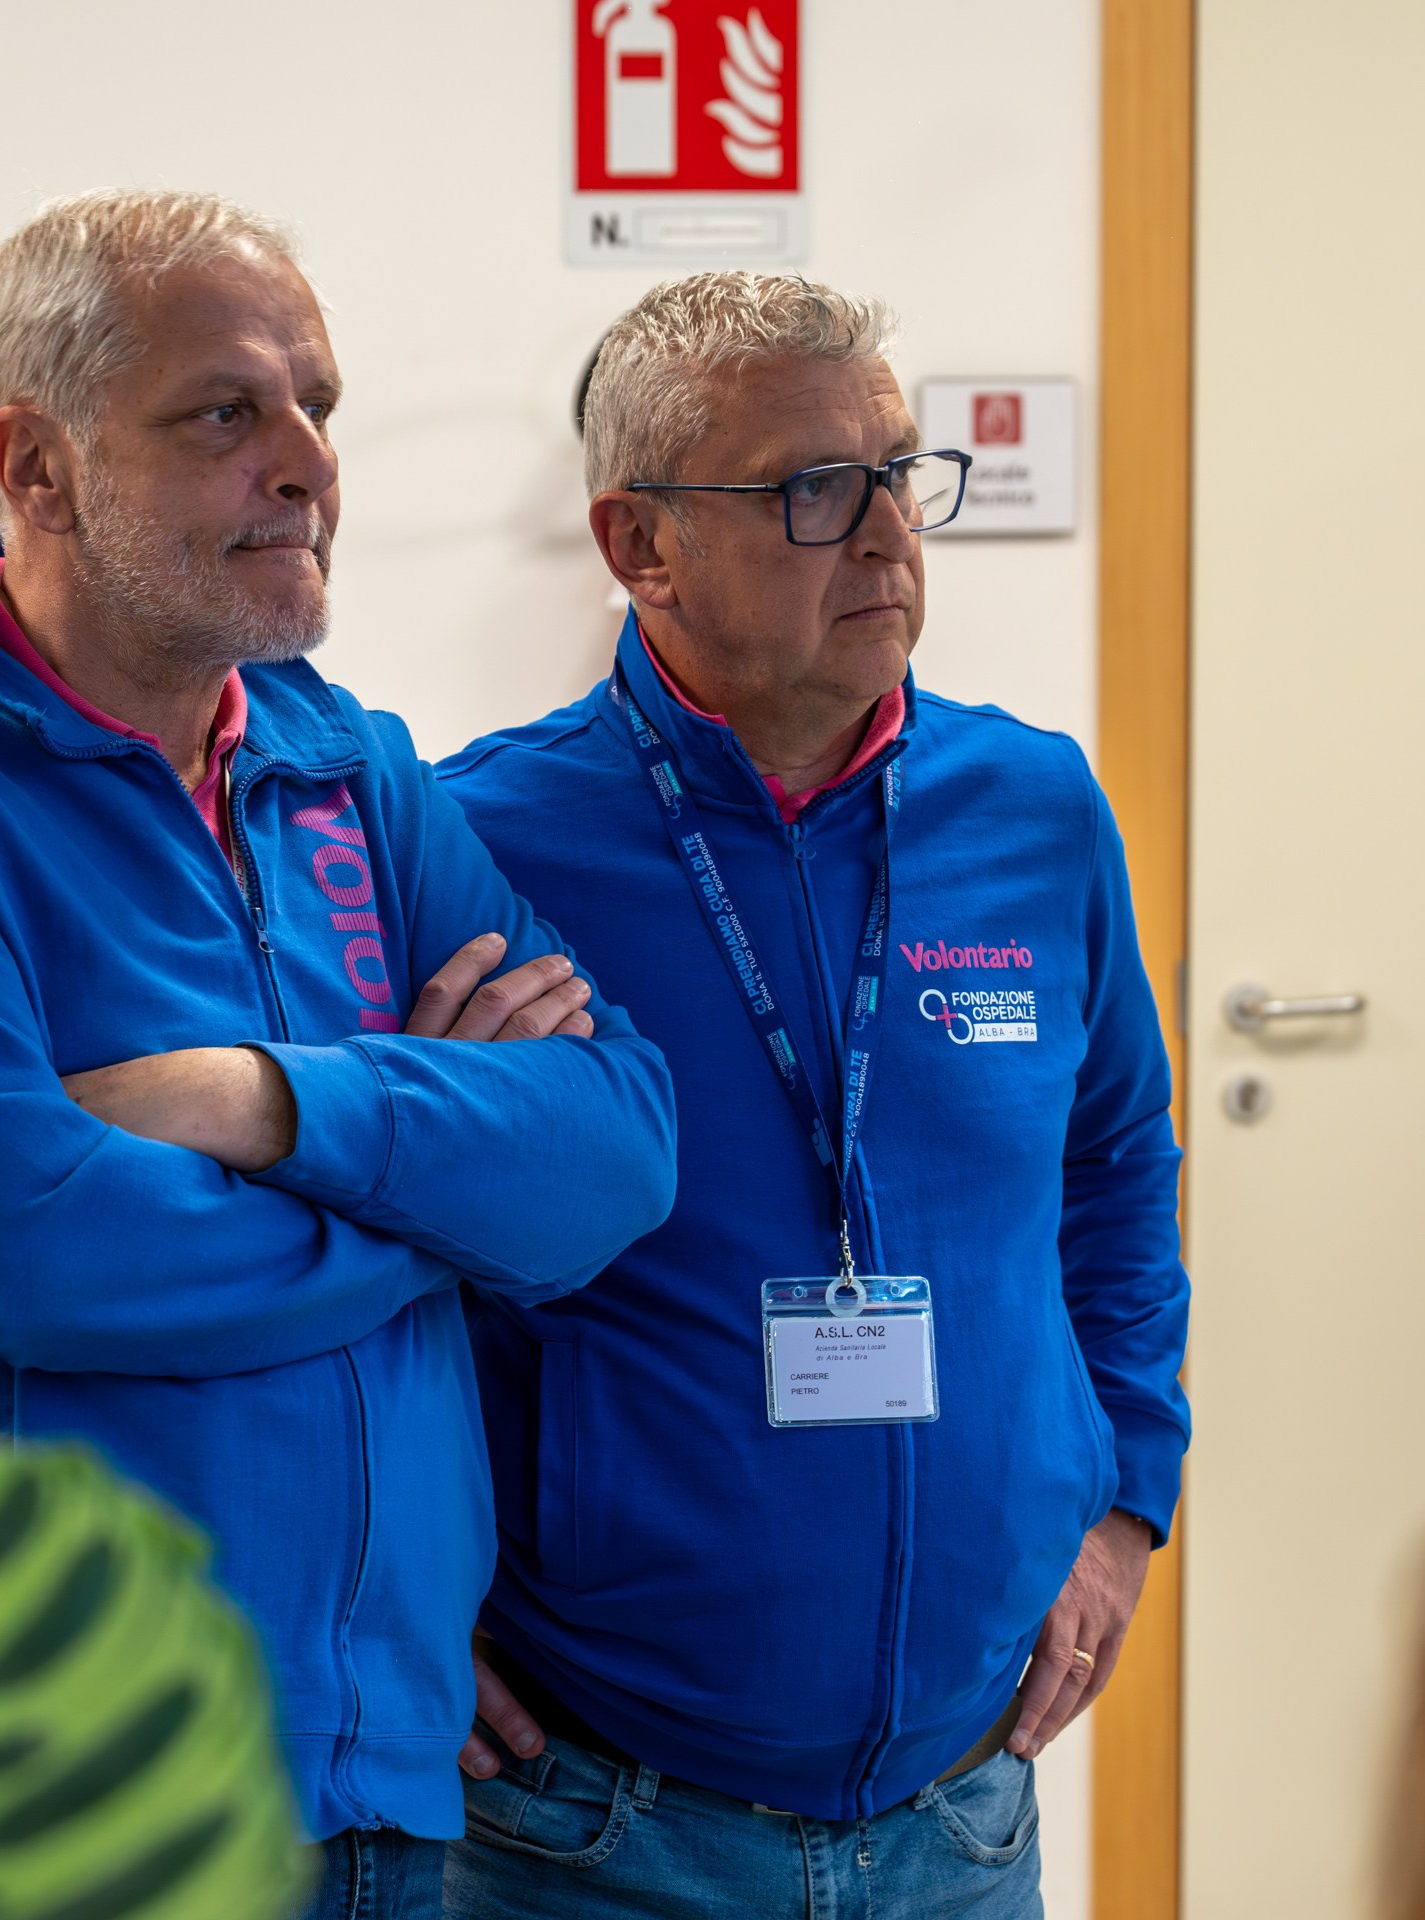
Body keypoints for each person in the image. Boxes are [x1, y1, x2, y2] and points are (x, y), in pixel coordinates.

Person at [0, 190, 677, 1919]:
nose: (309, 464)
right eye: (227, 412)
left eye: (318, 405)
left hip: (384, 1783)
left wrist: (263, 1101)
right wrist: (445, 1205)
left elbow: (616, 1150)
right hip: (34, 1797)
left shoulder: (349, 765)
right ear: (39, 464)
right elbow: (5, 1247)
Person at [437, 271, 1191, 1917]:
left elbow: (1118, 1167)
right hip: (598, 1819)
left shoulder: (1036, 808)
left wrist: (1129, 1500)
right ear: (641, 544)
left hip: (962, 1813)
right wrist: (410, 1597)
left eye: (902, 474)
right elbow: (388, 1254)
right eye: (813, 490)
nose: (889, 536)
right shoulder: (480, 845)